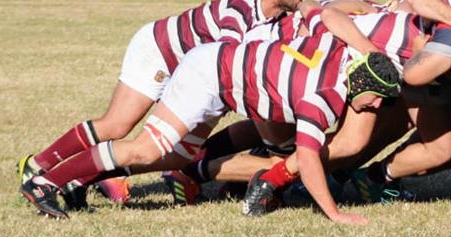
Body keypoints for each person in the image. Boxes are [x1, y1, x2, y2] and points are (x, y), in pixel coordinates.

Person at [20, 26, 401, 223]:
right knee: (146, 149)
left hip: (221, 76)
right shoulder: (323, 96)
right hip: (208, 75)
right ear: (363, 83)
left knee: (175, 159)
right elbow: (310, 159)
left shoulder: (346, 55)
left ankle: (75, 181)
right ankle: (44, 183)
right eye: (378, 97)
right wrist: (333, 213)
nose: (378, 106)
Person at [16, 0, 309, 208]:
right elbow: (226, 66)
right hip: (161, 54)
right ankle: (38, 167)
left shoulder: (278, 14)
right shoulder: (238, 13)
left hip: (198, 78)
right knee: (117, 125)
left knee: (177, 157)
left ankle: (77, 179)